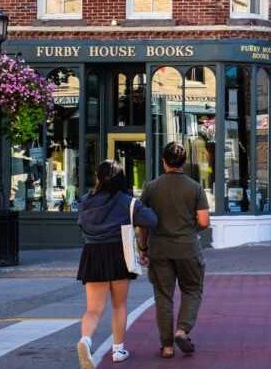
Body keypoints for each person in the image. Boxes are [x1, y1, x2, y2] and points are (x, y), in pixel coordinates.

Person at [76, 160, 157, 368]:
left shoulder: (86, 201)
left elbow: (81, 225)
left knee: (93, 309)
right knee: (119, 305)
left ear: (99, 178)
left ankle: (85, 340)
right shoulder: (127, 202)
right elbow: (151, 220)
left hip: (93, 253)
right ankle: (118, 349)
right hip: (119, 252)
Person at [141, 142, 210, 359]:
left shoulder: (151, 188)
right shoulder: (195, 187)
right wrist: (190, 229)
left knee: (163, 296)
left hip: (159, 249)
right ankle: (182, 329)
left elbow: (143, 223)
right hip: (187, 247)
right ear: (184, 163)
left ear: (164, 162)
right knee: (191, 290)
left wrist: (143, 247)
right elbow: (204, 221)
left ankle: (167, 346)